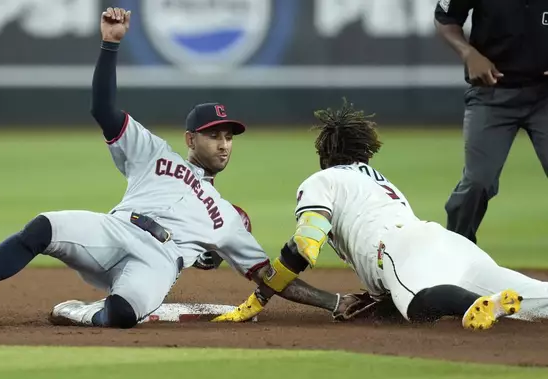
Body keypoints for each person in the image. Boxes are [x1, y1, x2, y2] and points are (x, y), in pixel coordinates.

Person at [0, 8, 361, 329]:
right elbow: (102, 107)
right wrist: (110, 44)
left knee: (124, 315)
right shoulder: (155, 152)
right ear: (192, 139)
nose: (224, 143)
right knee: (42, 227)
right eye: (214, 134)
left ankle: (78, 311)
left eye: (229, 136)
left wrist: (333, 300)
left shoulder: (228, 218)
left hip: (158, 260)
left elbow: (269, 276)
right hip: (117, 231)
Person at [214, 100, 548, 330]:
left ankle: (482, 302)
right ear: (364, 152)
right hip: (447, 242)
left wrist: (258, 299)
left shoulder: (322, 180)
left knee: (418, 306)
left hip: (397, 249)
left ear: (324, 154)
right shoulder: (380, 181)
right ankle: (511, 297)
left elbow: (305, 244)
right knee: (531, 296)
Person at [434, 0, 548, 244]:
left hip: (545, 95)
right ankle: (455, 254)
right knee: (477, 182)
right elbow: (446, 18)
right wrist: (468, 53)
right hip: (492, 92)